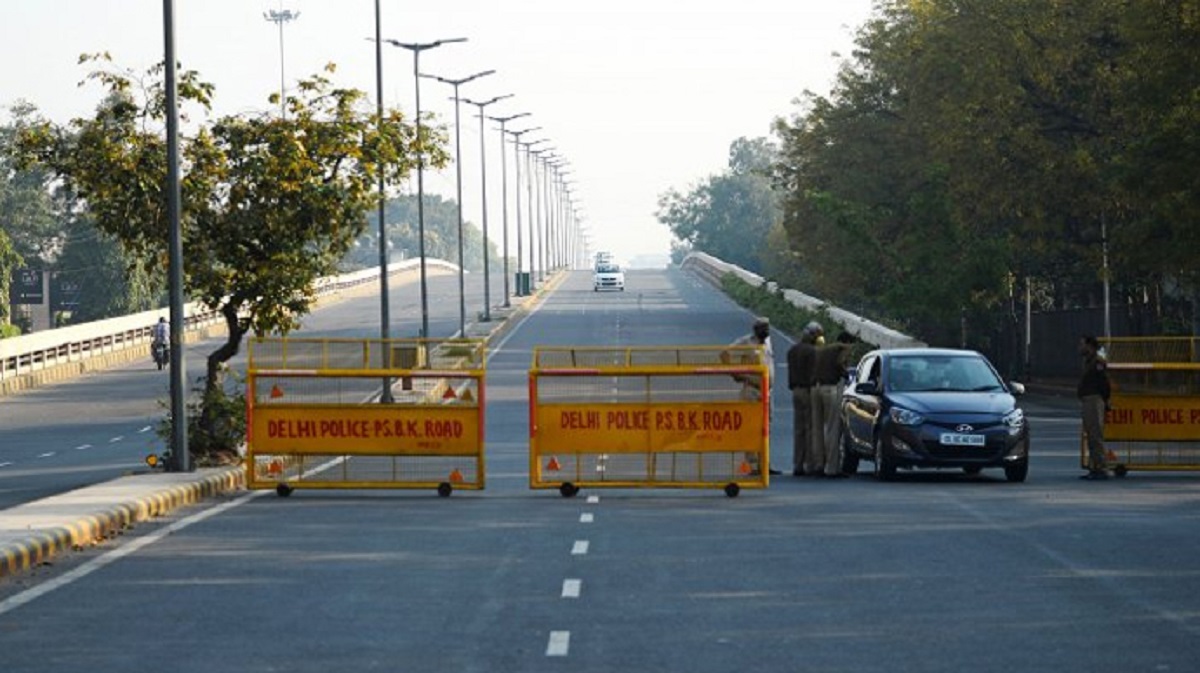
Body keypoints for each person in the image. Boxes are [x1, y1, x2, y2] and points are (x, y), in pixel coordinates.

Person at [725, 317, 780, 475]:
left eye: (768, 328)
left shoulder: (767, 343)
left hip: (767, 391)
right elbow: (725, 354)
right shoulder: (746, 342)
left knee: (766, 428)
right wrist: (738, 375)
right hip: (752, 389)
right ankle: (752, 464)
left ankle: (765, 463)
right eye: (763, 328)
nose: (766, 331)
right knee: (751, 428)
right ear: (756, 329)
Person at [812, 330, 856, 477]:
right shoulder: (844, 348)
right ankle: (832, 469)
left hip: (815, 388)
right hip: (830, 388)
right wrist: (845, 373)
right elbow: (839, 363)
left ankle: (818, 465)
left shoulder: (825, 349)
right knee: (833, 429)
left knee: (818, 429)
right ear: (847, 342)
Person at [787, 321, 821, 476]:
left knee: (798, 429)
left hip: (795, 390)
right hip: (807, 390)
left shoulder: (792, 350)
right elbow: (813, 373)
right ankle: (810, 463)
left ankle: (797, 464)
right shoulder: (812, 351)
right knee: (810, 428)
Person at [1078, 334, 1112, 480]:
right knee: (1091, 436)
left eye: (1082, 344)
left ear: (1089, 346)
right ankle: (1094, 467)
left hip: (1094, 400)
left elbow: (1104, 383)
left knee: (1096, 435)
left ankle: (1101, 468)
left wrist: (1104, 400)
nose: (1080, 348)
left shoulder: (1098, 361)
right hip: (1088, 400)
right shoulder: (1089, 361)